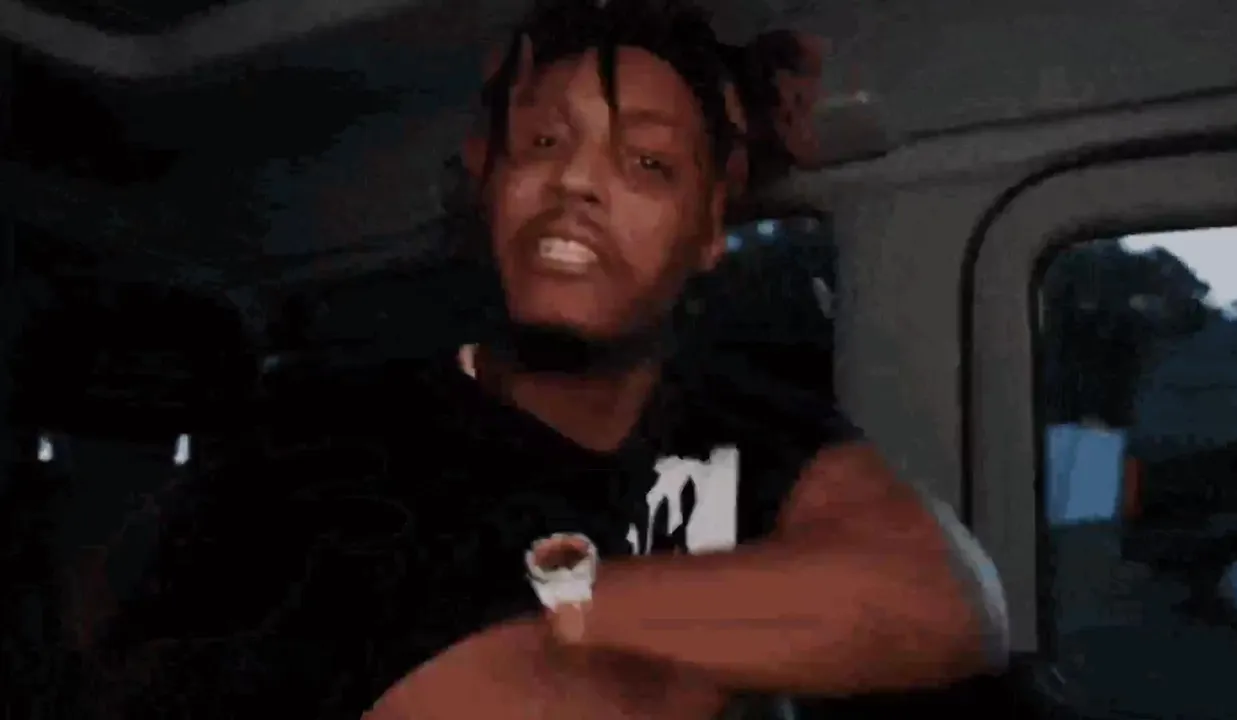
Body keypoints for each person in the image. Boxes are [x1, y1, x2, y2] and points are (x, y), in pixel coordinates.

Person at [82, 1, 1009, 718]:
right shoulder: (318, 433)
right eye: (542, 143)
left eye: (648, 164)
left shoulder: (750, 423)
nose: (574, 182)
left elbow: (950, 602)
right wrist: (727, 649)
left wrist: (578, 606)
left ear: (707, 234)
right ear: (492, 188)